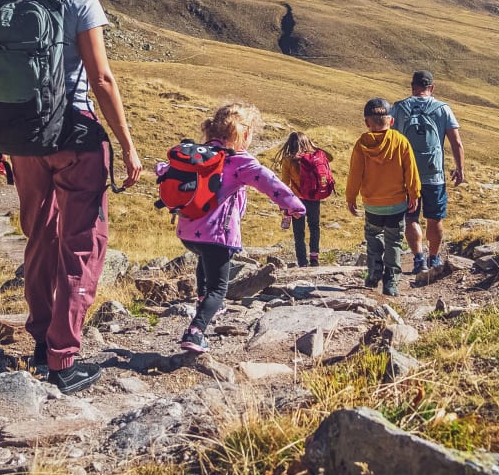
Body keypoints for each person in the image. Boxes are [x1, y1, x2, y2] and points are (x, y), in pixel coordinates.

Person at [0, 0, 140, 396]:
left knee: (40, 236)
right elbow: (101, 78)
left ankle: (39, 338)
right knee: (83, 241)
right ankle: (63, 359)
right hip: (73, 134)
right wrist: (128, 146)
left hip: (21, 137)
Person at [158, 103, 305, 353]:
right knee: (219, 288)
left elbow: (163, 170)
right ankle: (195, 332)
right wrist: (294, 205)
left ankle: (205, 302)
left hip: (188, 233)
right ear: (244, 134)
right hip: (217, 236)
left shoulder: (197, 155)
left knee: (205, 267)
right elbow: (269, 182)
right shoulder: (239, 161)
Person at [346, 97, 421, 295]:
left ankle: (373, 272)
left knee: (373, 236)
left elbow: (355, 173)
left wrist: (351, 197)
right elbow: (411, 171)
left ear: (366, 122)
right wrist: (414, 194)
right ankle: (391, 282)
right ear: (392, 121)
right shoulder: (401, 142)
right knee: (394, 241)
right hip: (397, 204)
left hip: (372, 204)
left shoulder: (361, 144)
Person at [390, 70, 463, 271]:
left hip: (406, 175)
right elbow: (456, 142)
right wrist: (460, 168)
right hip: (435, 175)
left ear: (413, 87)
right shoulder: (443, 109)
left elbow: (388, 140)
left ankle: (418, 258)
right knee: (435, 217)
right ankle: (434, 258)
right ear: (431, 88)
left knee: (411, 218)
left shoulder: (399, 108)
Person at [274, 132, 335, 267]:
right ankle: (314, 258)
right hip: (313, 198)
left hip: (297, 201)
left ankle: (302, 262)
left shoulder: (288, 160)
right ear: (307, 142)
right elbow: (330, 157)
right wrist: (315, 147)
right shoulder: (316, 155)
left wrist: (283, 204)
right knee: (314, 227)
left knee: (298, 232)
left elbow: (285, 183)